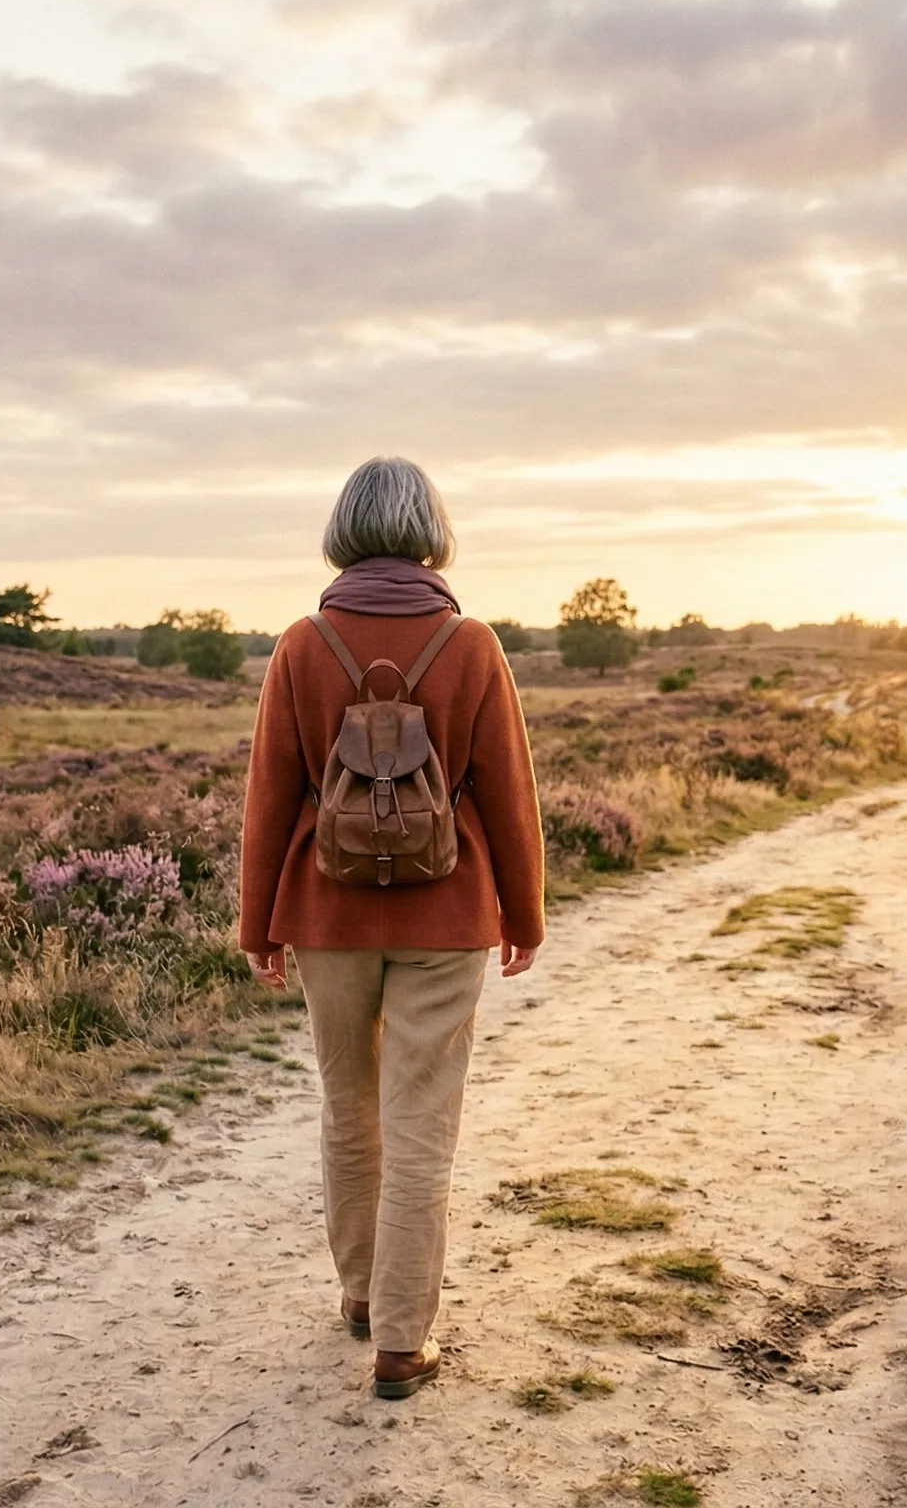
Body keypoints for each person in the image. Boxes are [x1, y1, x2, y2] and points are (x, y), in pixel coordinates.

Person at [238, 456, 545, 1400]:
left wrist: (260, 923)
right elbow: (507, 794)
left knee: (349, 1106)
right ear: (430, 531)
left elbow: (269, 798)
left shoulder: (301, 643)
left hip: (326, 916)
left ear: (343, 530)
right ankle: (403, 1345)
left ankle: (364, 1296)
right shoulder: (472, 644)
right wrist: (523, 915)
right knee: (422, 1123)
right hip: (448, 915)